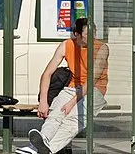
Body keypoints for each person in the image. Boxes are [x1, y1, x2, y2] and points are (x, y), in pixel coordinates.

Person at [24, 17, 107, 154]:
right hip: (73, 87)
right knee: (56, 111)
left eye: (95, 33)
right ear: (77, 34)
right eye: (88, 34)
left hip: (95, 90)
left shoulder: (102, 48)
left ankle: (47, 149)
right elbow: (47, 74)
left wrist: (71, 103)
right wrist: (43, 102)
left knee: (74, 120)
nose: (93, 37)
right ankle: (43, 138)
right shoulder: (66, 45)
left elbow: (92, 80)